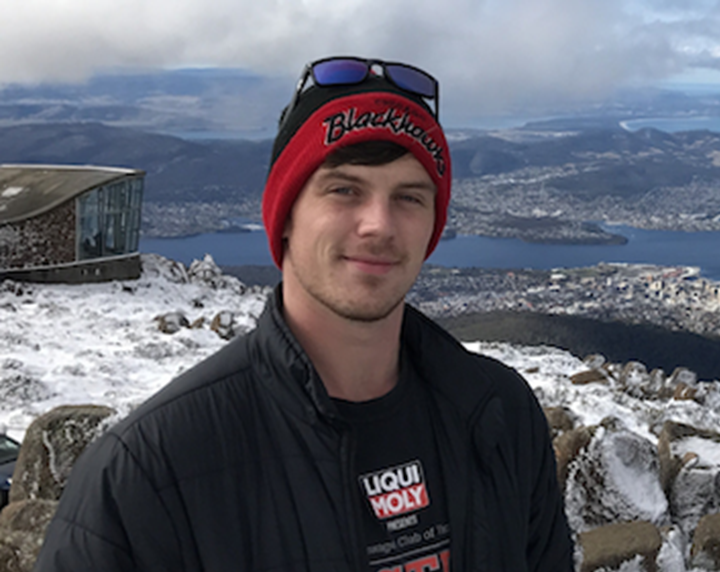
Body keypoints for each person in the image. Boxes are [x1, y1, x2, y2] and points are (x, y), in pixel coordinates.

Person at [35, 57, 574, 571]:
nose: (378, 225)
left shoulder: (499, 416)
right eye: (344, 189)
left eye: (409, 197)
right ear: (285, 214)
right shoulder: (149, 470)